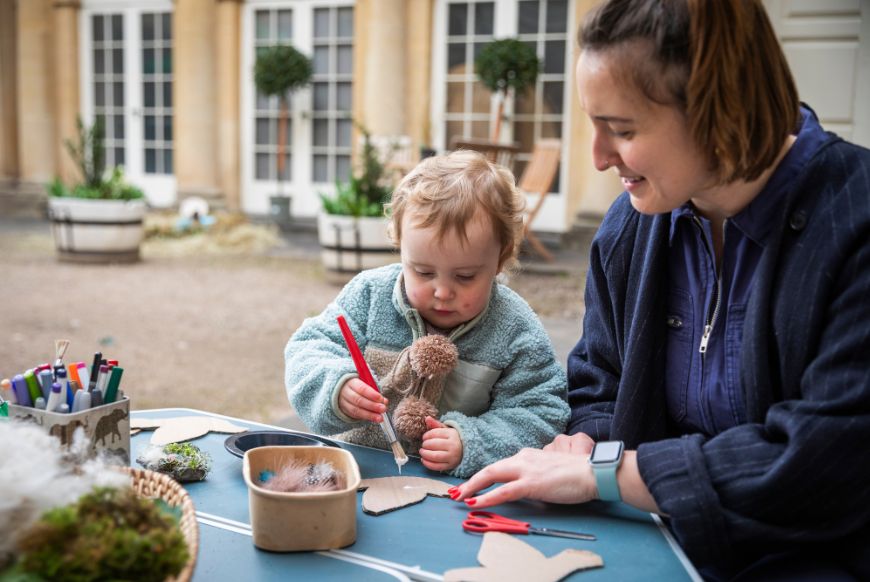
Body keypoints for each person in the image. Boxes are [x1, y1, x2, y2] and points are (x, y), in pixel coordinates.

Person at [450, 0, 870, 579]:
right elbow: (600, 382)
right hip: (659, 549)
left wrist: (608, 473)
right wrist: (580, 447)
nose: (597, 158)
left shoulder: (857, 223)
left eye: (620, 130)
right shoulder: (628, 227)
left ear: (718, 108)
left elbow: (826, 457)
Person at [285, 150, 569, 478]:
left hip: (456, 498)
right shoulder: (369, 295)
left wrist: (471, 442)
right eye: (422, 272)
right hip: (361, 477)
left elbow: (542, 411)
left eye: (465, 277)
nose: (443, 292)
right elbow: (308, 348)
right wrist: (336, 387)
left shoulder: (515, 327)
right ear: (399, 245)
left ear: (501, 258)